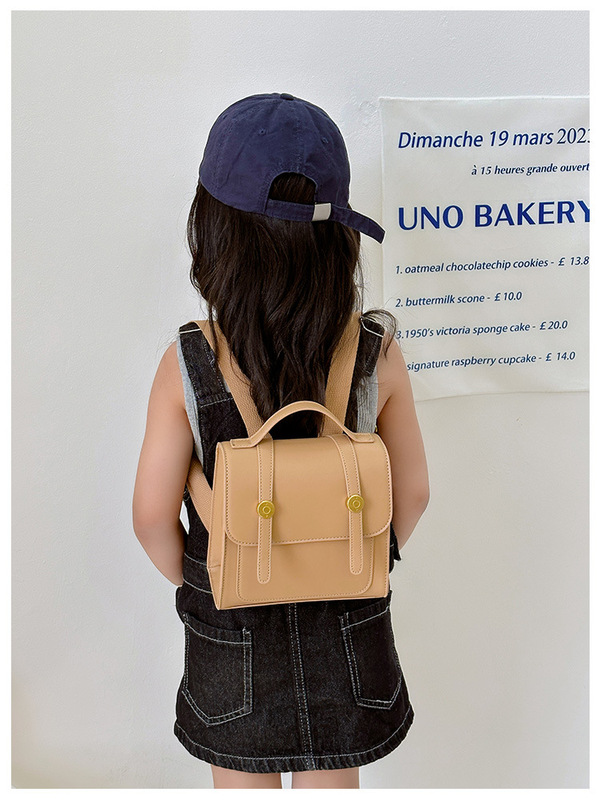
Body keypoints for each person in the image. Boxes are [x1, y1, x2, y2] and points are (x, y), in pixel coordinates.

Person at [132, 92, 430, 790]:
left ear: (214, 231)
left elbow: (149, 517)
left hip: (232, 633)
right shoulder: (376, 353)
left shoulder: (187, 364)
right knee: (334, 780)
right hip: (349, 623)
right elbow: (414, 492)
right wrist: (347, 557)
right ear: (339, 237)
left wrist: (213, 579)